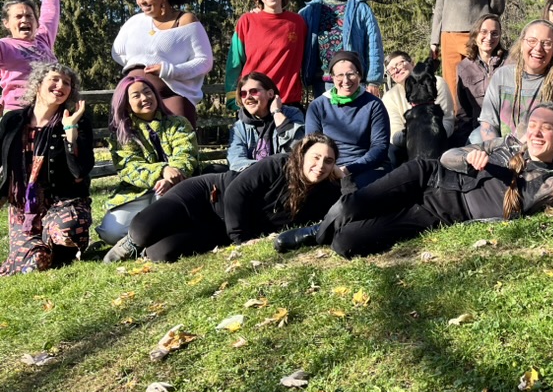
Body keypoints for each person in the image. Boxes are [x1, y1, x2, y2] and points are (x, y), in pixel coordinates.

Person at [275, 104, 553, 258]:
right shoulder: (506, 143)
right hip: (426, 176)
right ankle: (312, 233)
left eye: (547, 127)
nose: (537, 131)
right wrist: (467, 156)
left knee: (347, 243)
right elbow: (446, 157)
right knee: (353, 204)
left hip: (440, 212)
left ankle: (327, 233)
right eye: (533, 124)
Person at [103, 134, 342, 263]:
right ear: (302, 155)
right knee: (143, 228)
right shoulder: (278, 164)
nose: (320, 166)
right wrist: (241, 240)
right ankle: (129, 244)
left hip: (219, 228)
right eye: (315, 157)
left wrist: (345, 178)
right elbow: (237, 193)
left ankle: (142, 253)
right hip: (207, 196)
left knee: (161, 254)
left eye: (328, 161)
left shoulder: (326, 191)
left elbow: (348, 207)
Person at [0, 62, 92, 275]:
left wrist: (71, 131)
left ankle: (60, 248)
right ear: (38, 84)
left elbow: (80, 171)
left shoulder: (77, 120)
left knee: (68, 229)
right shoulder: (13, 120)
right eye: (55, 79)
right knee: (35, 264)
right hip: (23, 208)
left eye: (67, 83)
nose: (61, 85)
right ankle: (40, 247)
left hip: (63, 201)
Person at [98, 74, 199, 244]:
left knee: (165, 205)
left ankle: (147, 238)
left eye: (148, 92)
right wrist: (162, 170)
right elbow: (129, 168)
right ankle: (147, 235)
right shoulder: (122, 135)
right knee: (111, 232)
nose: (145, 98)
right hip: (138, 192)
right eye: (136, 96)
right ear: (126, 103)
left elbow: (186, 154)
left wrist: (172, 175)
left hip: (178, 185)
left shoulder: (178, 123)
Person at [111, 0, 214, 130]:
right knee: (136, 147)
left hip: (172, 96)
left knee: (180, 149)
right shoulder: (134, 22)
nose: (140, 2)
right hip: (135, 100)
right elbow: (116, 52)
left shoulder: (185, 20)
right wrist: (137, 68)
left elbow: (205, 61)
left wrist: (168, 70)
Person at [479, 20, 553, 142]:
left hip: (547, 154)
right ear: (522, 45)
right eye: (532, 41)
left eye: (547, 43)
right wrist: (498, 153)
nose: (538, 48)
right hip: (505, 151)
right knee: (471, 141)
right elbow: (488, 124)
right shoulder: (502, 76)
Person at [299, 0, 385, 97]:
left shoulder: (361, 9)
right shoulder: (309, 11)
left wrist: (374, 81)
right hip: (322, 85)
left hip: (353, 82)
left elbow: (374, 45)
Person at [305, 51, 390, 187]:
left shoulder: (374, 105)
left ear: (359, 75)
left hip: (367, 167)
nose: (346, 80)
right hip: (327, 168)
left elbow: (379, 147)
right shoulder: (318, 106)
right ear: (332, 77)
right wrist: (331, 169)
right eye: (339, 75)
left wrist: (348, 169)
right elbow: (312, 145)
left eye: (351, 74)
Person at [225, 0, 307, 109]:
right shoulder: (247, 21)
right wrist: (233, 98)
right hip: (253, 104)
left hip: (287, 104)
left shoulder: (298, 23)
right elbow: (234, 63)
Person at [1, 0, 60, 114]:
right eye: (18, 16)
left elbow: (50, 15)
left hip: (49, 109)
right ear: (6, 23)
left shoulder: (43, 40)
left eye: (29, 16)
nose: (24, 20)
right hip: (18, 112)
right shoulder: (5, 46)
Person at [382, 50, 455, 164]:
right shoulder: (389, 98)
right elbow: (395, 134)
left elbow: (448, 121)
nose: (396, 69)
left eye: (400, 63)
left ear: (412, 63)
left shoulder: (436, 83)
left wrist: (430, 135)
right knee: (389, 151)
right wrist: (415, 135)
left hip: (440, 140)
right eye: (391, 69)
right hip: (408, 144)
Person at [227, 72, 305, 172]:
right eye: (243, 94)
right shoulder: (239, 127)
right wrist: (267, 170)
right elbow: (236, 162)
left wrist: (277, 112)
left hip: (285, 175)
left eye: (254, 91)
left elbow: (298, 147)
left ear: (270, 94)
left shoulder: (292, 114)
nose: (248, 97)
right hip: (252, 178)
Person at [454, 14, 506, 145]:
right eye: (484, 32)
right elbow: (463, 112)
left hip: (508, 125)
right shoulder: (464, 67)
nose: (489, 38)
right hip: (480, 128)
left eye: (494, 33)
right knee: (474, 144)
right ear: (475, 34)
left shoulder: (510, 61)